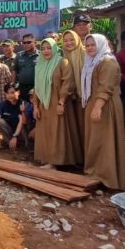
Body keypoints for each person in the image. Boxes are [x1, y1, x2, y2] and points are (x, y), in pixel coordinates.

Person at [81, 34, 125, 190]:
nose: (89, 48)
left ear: (101, 44)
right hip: (95, 104)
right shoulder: (93, 62)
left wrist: (97, 106)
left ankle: (106, 177)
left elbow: (106, 87)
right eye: (87, 45)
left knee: (105, 141)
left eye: (93, 45)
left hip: (105, 106)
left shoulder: (107, 62)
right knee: (96, 140)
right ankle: (96, 173)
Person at [33, 38, 82, 169]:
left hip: (58, 103)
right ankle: (47, 158)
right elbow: (36, 88)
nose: (46, 51)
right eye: (43, 48)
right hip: (44, 104)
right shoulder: (40, 65)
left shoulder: (62, 62)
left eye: (49, 48)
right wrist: (36, 106)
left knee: (58, 132)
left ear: (55, 48)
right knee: (46, 132)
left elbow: (68, 83)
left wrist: (61, 102)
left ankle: (56, 162)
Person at [61, 29, 86, 151]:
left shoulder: (86, 54)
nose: (68, 43)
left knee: (86, 129)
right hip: (72, 99)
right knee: (77, 128)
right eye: (65, 41)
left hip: (86, 99)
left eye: (71, 40)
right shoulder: (64, 57)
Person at [0, 83, 25, 151]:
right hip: (10, 131)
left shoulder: (23, 104)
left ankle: (23, 145)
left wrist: (15, 136)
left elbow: (21, 122)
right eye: (7, 93)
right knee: (0, 121)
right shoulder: (2, 105)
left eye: (12, 92)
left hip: (21, 132)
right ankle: (10, 144)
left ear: (18, 92)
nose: (10, 95)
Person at [14, 33, 39, 102]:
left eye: (29, 42)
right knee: (23, 109)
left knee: (36, 110)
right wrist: (13, 84)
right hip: (22, 88)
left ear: (35, 43)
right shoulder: (19, 55)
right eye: (24, 43)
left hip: (36, 88)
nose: (26, 44)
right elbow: (14, 70)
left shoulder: (41, 56)